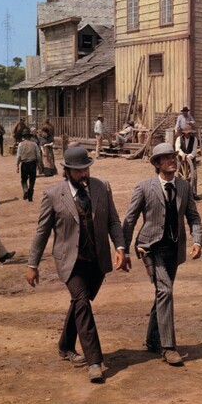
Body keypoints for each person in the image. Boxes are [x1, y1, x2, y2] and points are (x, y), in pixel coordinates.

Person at [26, 147, 128, 383]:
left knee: (79, 303)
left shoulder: (102, 187)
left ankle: (65, 345)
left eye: (86, 169)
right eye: (78, 171)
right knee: (82, 302)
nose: (84, 174)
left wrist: (120, 247)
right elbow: (42, 232)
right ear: (68, 171)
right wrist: (33, 264)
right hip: (70, 262)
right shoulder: (53, 195)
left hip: (97, 260)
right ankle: (94, 361)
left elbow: (113, 221)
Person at [122, 143, 202, 366]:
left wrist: (197, 241)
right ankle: (168, 347)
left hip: (174, 250)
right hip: (150, 248)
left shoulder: (184, 187)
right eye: (166, 158)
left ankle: (152, 339)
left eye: (173, 157)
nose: (172, 161)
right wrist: (124, 250)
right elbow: (129, 220)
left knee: (161, 293)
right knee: (165, 291)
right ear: (157, 164)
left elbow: (193, 217)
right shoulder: (144, 188)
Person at [16, 130, 42, 202]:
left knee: (24, 179)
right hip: (32, 164)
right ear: (30, 137)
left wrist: (17, 165)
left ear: (23, 137)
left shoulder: (20, 144)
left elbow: (18, 156)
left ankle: (25, 190)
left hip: (24, 164)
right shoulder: (34, 144)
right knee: (32, 179)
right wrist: (39, 164)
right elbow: (38, 155)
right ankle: (30, 192)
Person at [175, 124, 199, 199]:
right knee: (179, 176)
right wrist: (182, 154)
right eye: (187, 133)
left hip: (191, 159)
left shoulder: (194, 139)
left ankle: (194, 193)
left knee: (194, 175)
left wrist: (189, 156)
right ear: (184, 133)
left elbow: (194, 150)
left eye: (189, 133)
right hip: (181, 159)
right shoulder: (179, 139)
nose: (188, 134)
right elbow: (177, 149)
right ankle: (180, 193)